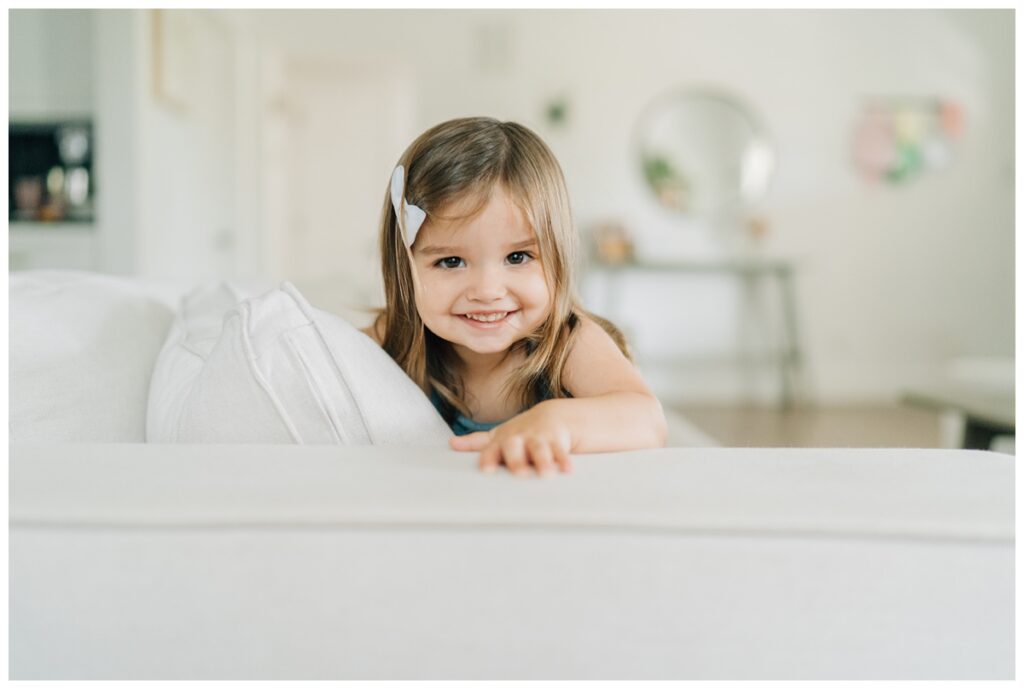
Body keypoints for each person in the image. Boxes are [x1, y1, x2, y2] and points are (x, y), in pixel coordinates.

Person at [361, 117, 666, 476]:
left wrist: (555, 422)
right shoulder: (393, 337)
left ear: (559, 256)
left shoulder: (568, 341)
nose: (488, 291)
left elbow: (647, 419)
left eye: (518, 257)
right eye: (451, 261)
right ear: (404, 268)